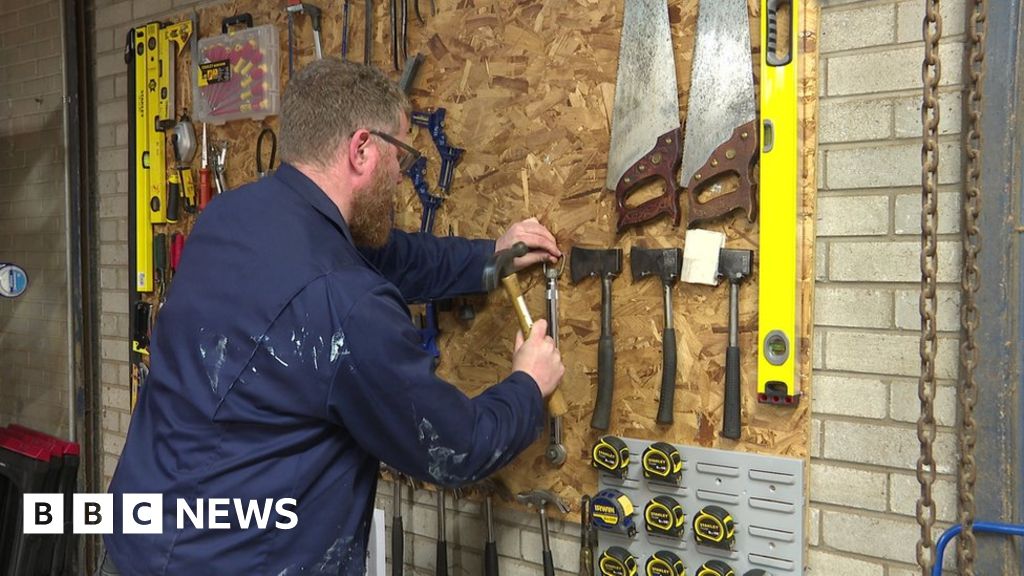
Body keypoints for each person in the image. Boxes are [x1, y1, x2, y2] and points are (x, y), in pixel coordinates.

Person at [102, 58, 564, 575]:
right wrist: (529, 383)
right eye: (403, 155)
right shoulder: (346, 302)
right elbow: (457, 446)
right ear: (362, 149)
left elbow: (385, 258)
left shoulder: (228, 217)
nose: (404, 175)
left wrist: (489, 257)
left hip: (137, 541)